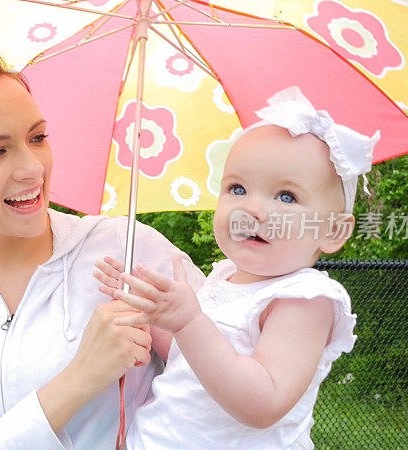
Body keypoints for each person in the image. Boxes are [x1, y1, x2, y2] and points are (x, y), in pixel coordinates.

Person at [0, 55, 205, 449]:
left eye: (37, 138)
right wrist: (78, 380)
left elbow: (227, 384)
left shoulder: (126, 249)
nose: (32, 168)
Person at [96, 86, 376, 448]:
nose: (253, 209)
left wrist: (189, 321)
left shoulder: (304, 300)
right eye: (238, 189)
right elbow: (192, 360)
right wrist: (152, 311)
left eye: (286, 196)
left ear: (334, 230)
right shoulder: (225, 276)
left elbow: (263, 403)